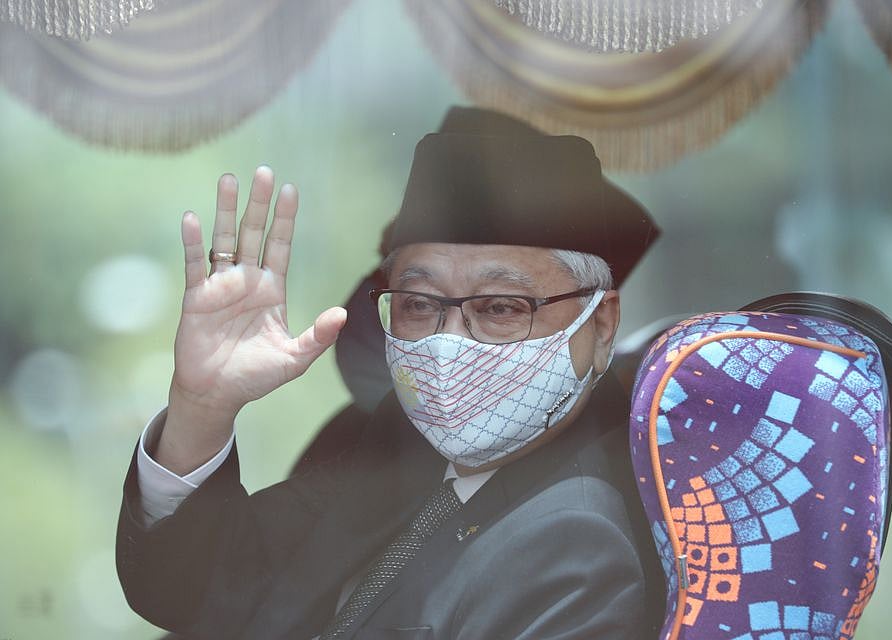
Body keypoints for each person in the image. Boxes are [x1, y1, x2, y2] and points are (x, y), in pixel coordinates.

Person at [116, 107, 664, 639]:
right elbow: (196, 590)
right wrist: (203, 409)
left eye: (501, 308)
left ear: (603, 325)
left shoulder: (575, 541)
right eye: (419, 304)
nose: (449, 343)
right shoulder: (400, 447)